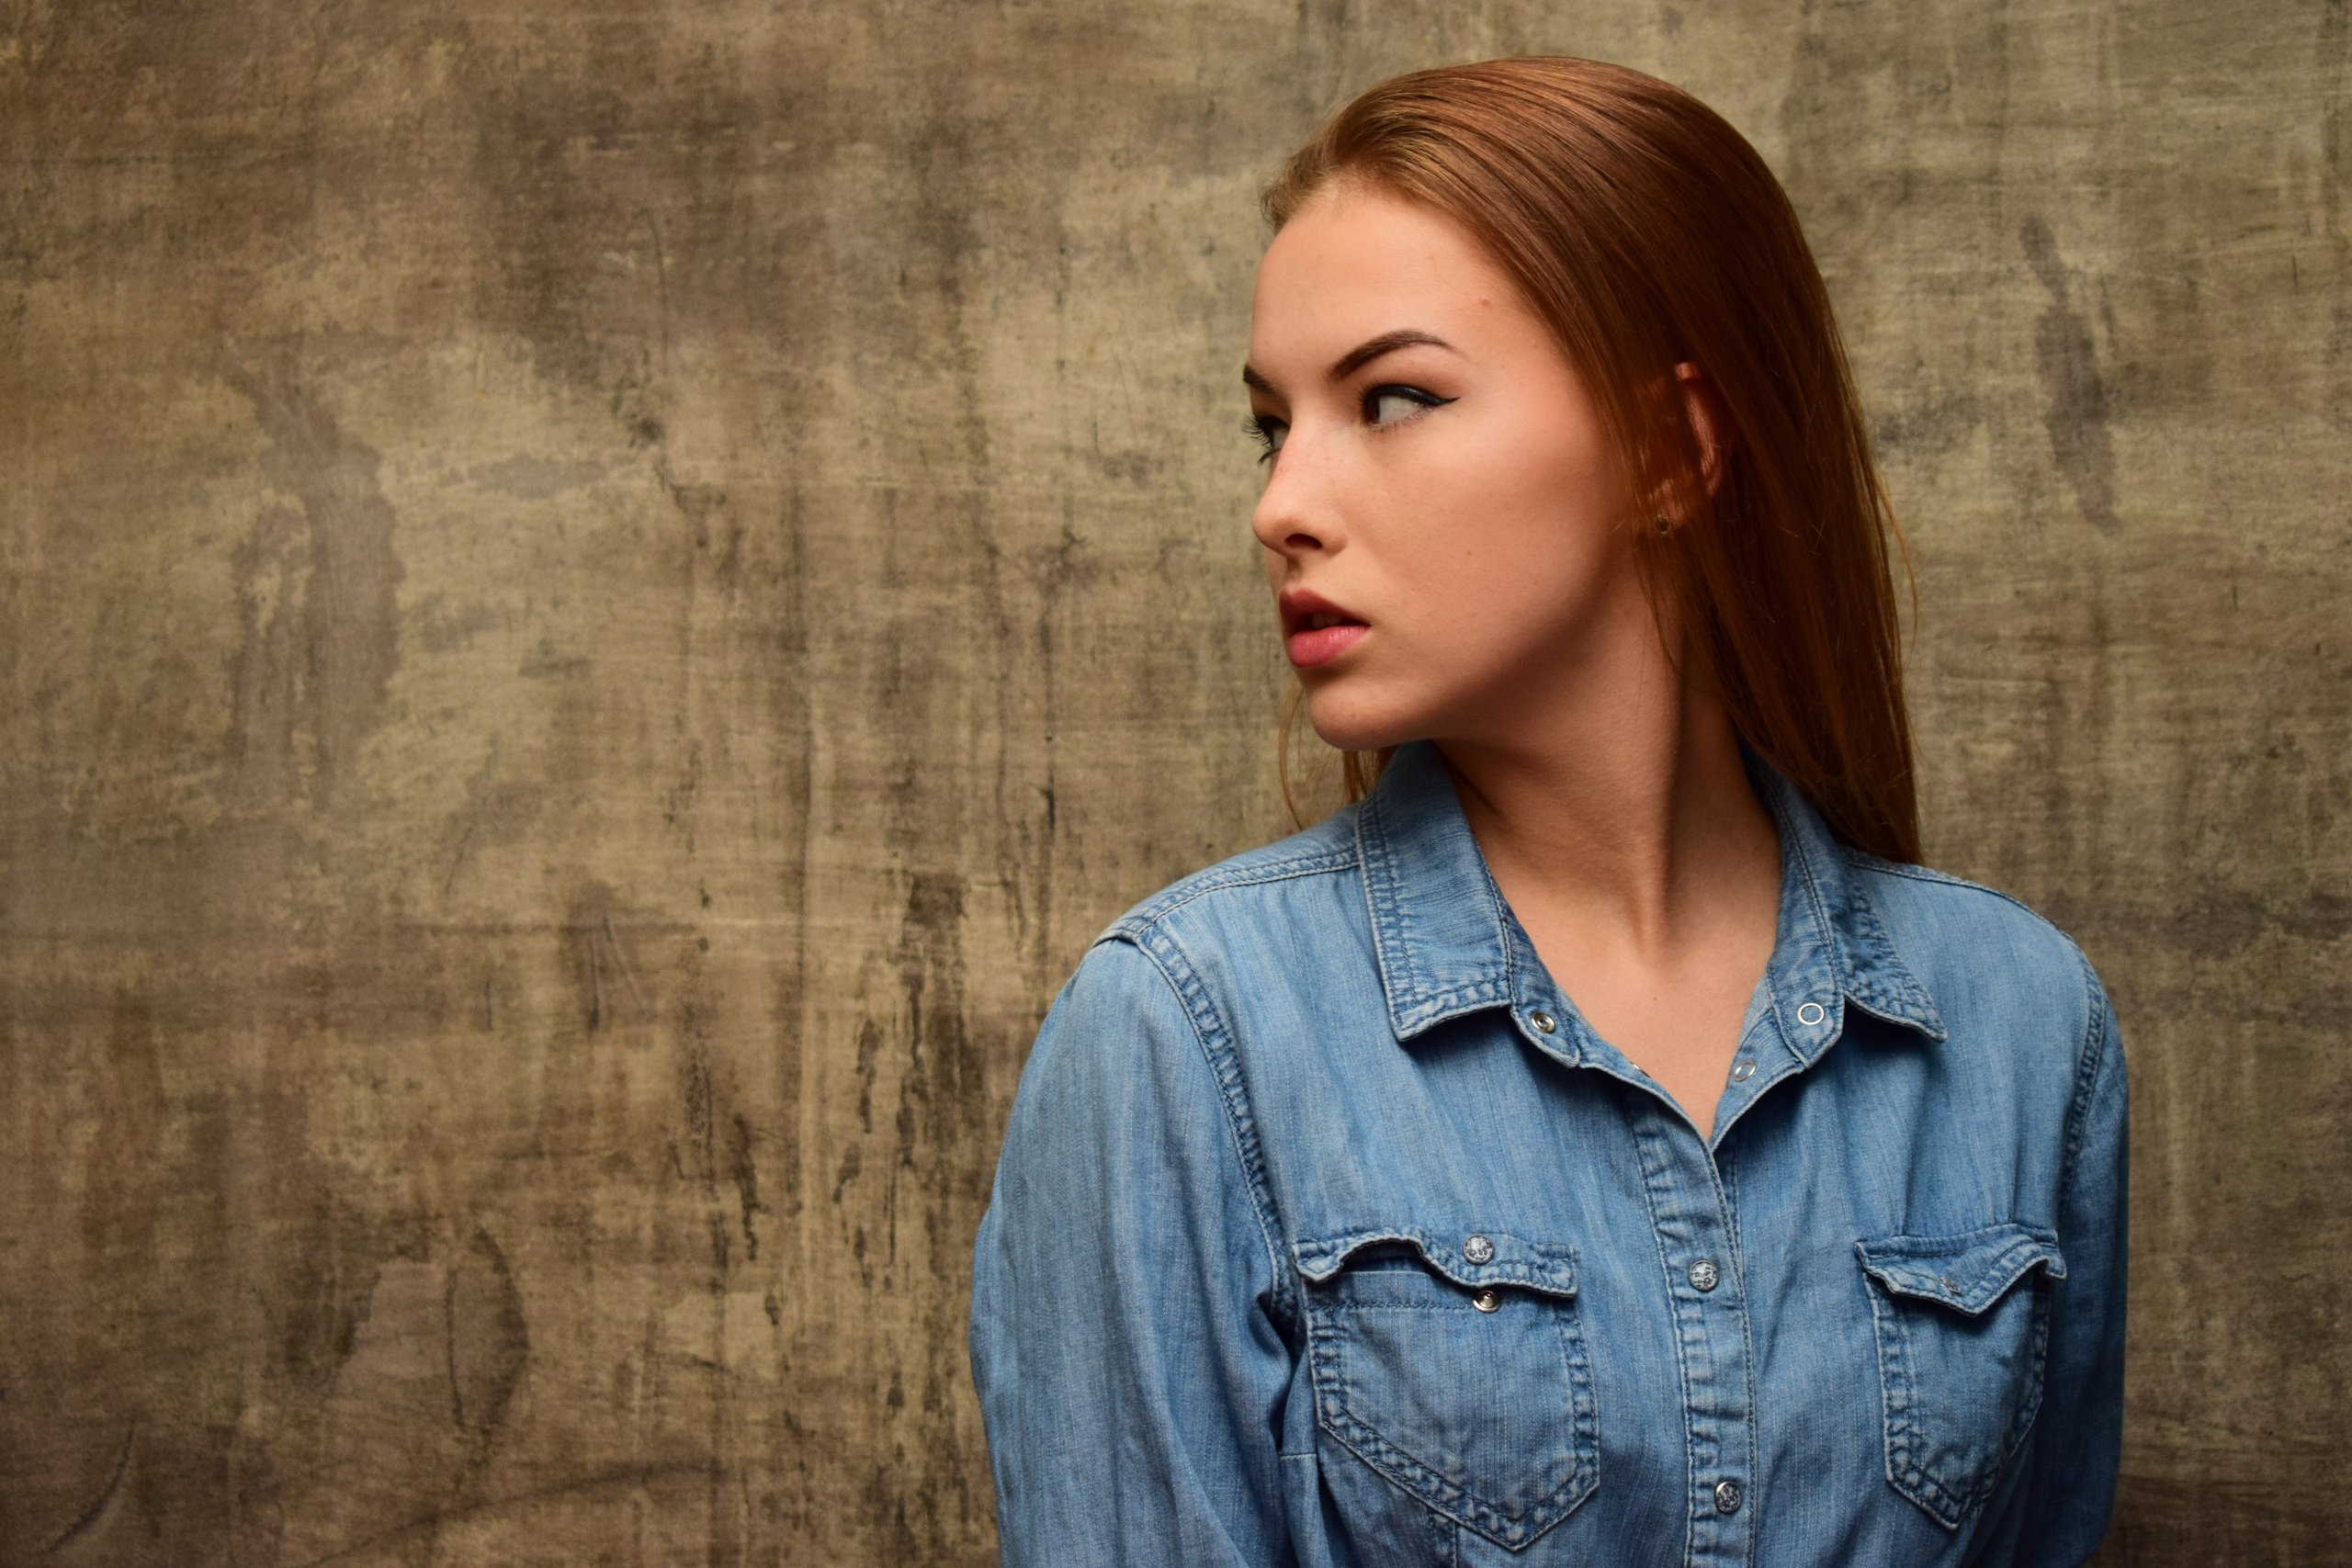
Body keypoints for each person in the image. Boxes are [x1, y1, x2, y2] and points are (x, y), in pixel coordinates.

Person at [968, 56, 2126, 1567]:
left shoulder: (2026, 1027)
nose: (1282, 504)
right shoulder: (1186, 1035)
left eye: (1393, 399)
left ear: (1669, 450)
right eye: (1274, 425)